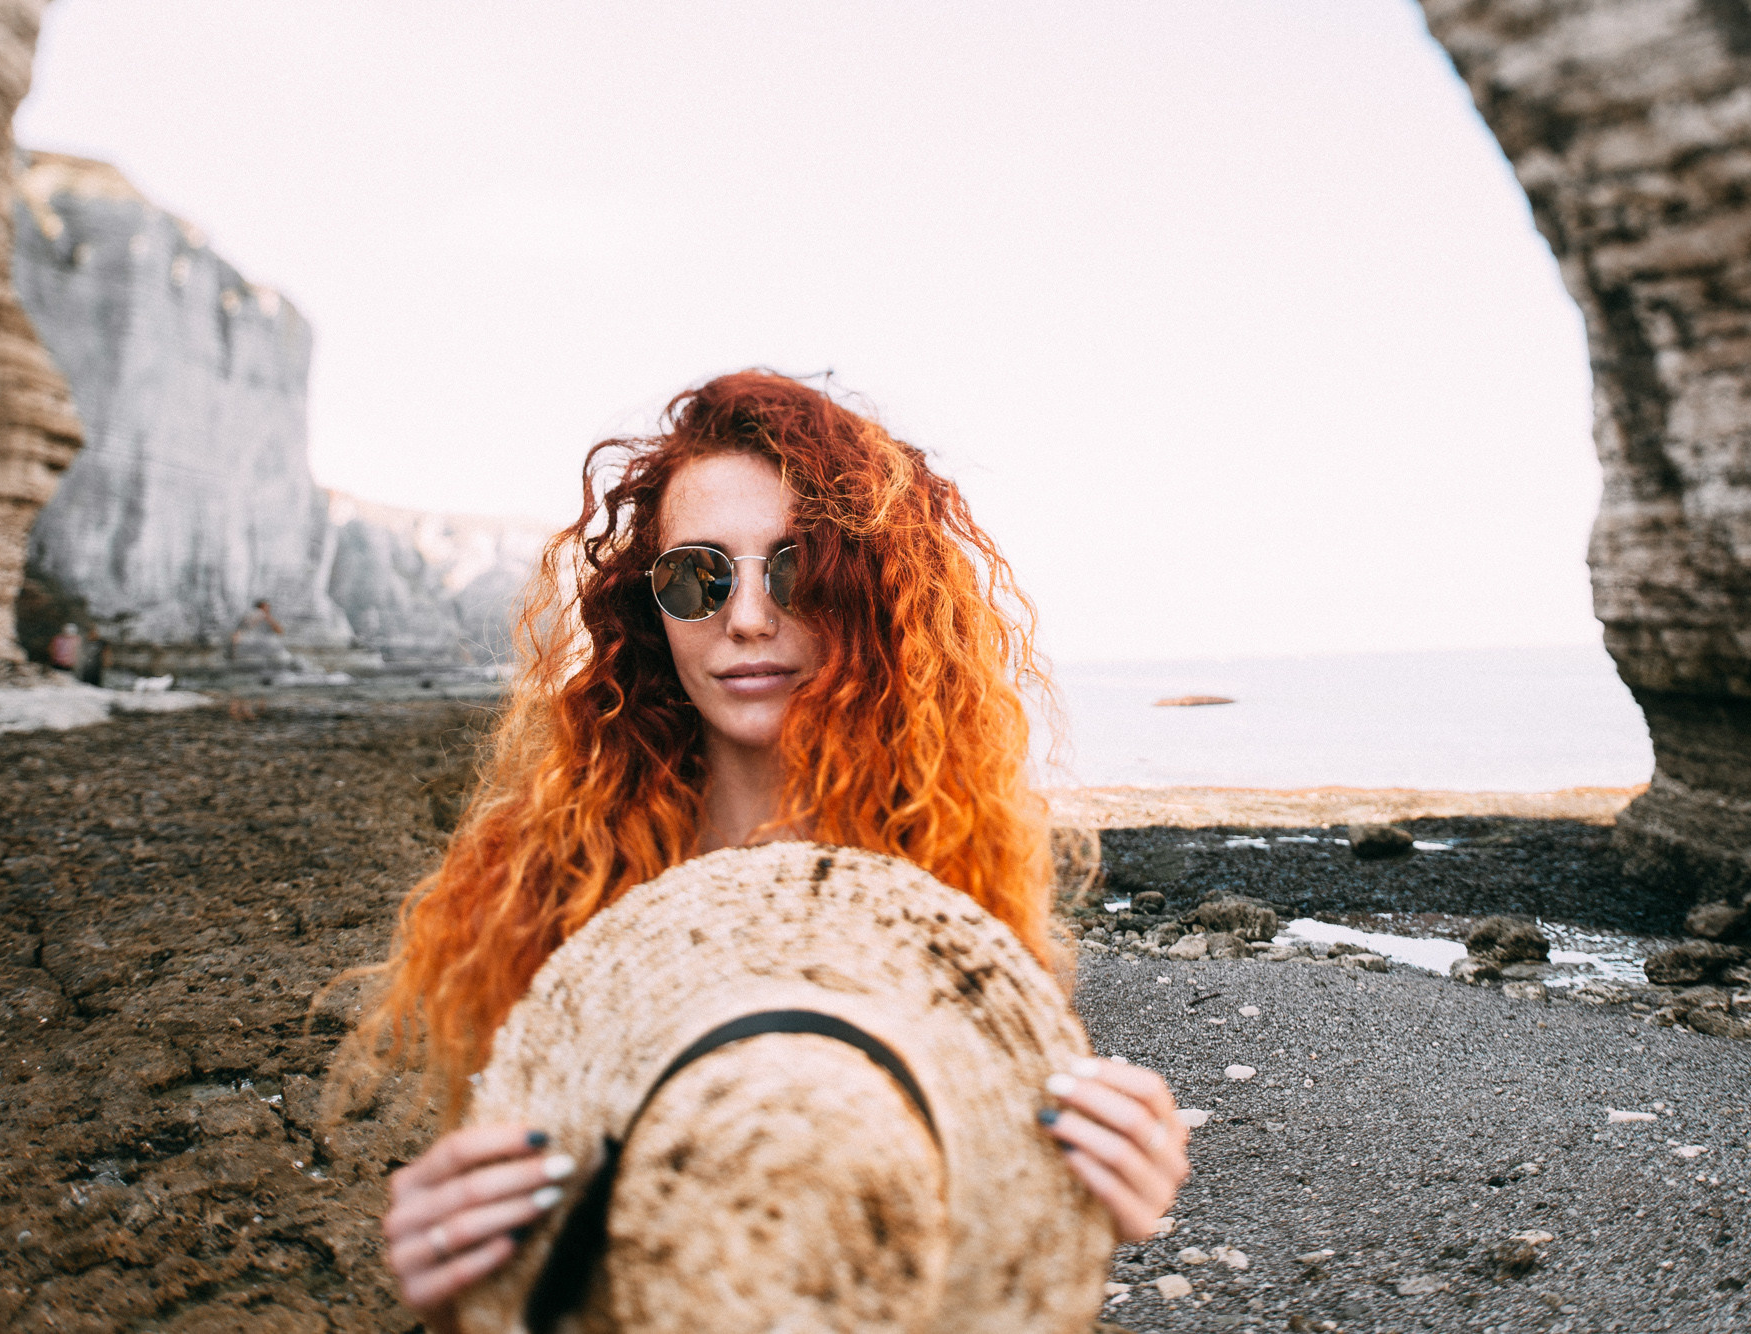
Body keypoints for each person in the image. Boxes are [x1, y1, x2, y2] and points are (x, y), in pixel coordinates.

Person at [348, 372, 1189, 1328]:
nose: (746, 615)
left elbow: (958, 1223)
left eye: (795, 569)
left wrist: (1100, 1183)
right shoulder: (555, 887)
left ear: (868, 594)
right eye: (698, 577)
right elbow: (534, 1236)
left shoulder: (946, 882)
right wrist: (449, 1265)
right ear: (649, 606)